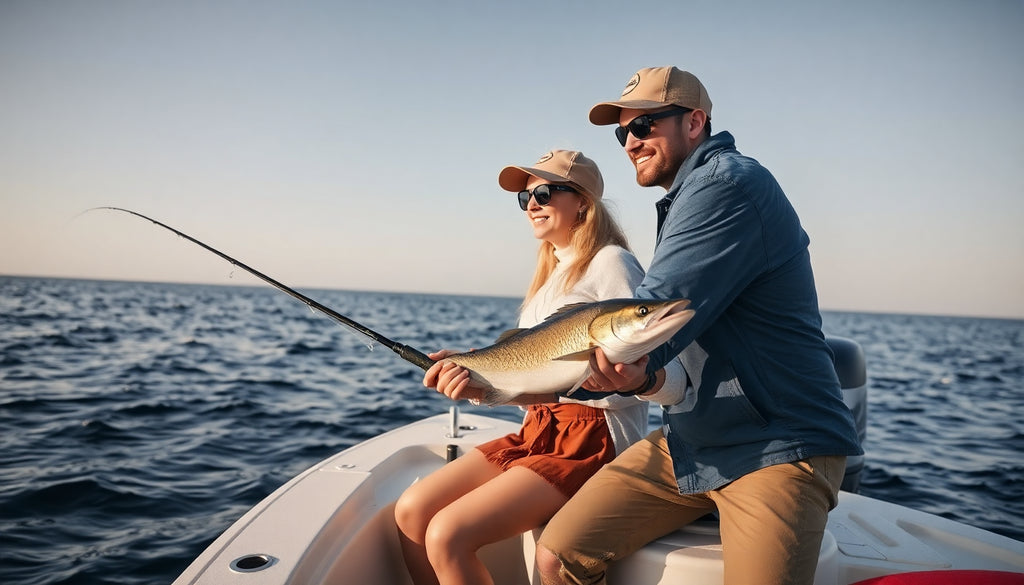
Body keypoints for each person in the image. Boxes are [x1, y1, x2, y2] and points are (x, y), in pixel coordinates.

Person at [534, 67, 864, 585]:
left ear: (694, 122)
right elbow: (663, 347)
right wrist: (495, 379)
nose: (631, 142)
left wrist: (613, 365)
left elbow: (659, 309)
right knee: (557, 555)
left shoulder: (725, 186)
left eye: (645, 125)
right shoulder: (688, 197)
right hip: (692, 438)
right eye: (623, 133)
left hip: (777, 445)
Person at [393, 149, 685, 585]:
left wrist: (493, 389)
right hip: (538, 430)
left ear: (583, 201)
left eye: (544, 193)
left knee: (447, 534)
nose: (532, 204)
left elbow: (636, 376)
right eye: (525, 197)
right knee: (411, 511)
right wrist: (476, 381)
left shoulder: (612, 263)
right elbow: (532, 381)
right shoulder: (547, 279)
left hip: (593, 438)